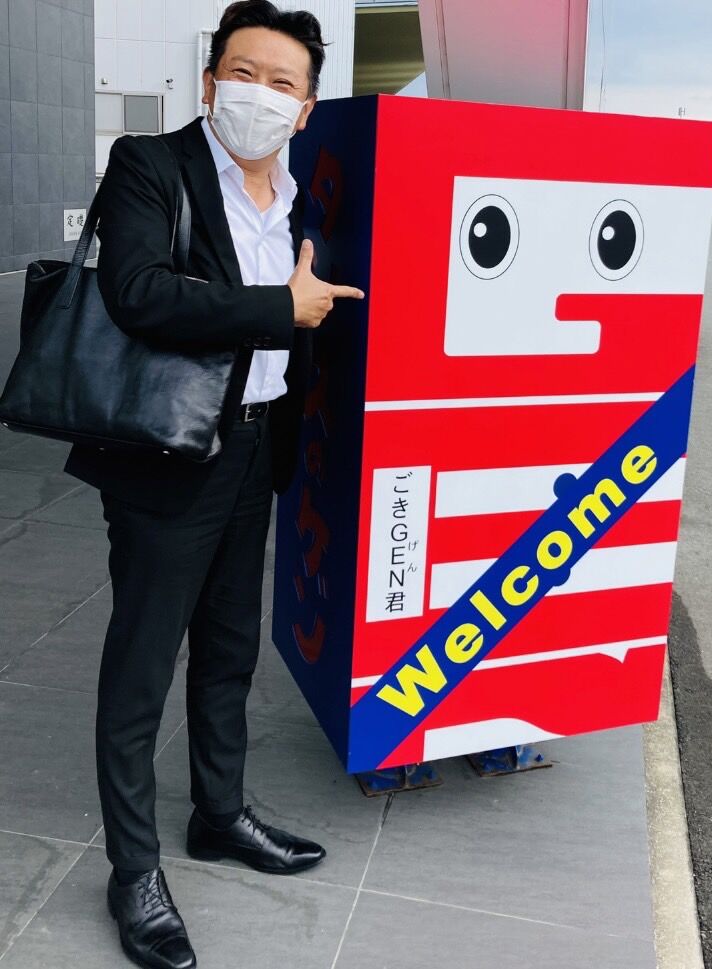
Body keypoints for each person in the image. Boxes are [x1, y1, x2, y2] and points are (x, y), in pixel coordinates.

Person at [63, 3, 365, 967]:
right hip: (167, 455)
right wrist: (282, 306)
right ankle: (132, 870)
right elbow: (139, 292)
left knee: (230, 649)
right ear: (209, 81)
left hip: (255, 450)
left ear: (306, 108)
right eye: (243, 73)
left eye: (282, 84)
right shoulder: (151, 165)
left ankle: (220, 813)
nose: (258, 95)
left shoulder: (298, 196)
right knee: (143, 665)